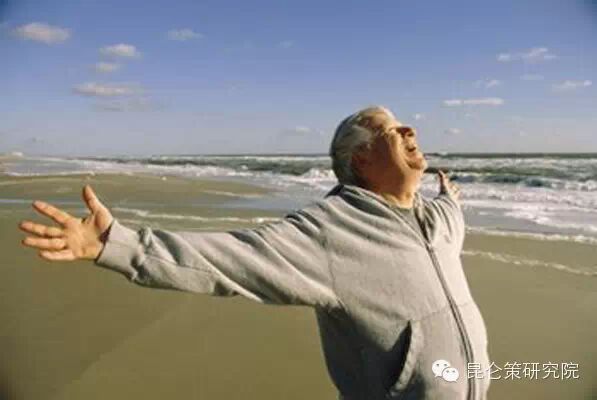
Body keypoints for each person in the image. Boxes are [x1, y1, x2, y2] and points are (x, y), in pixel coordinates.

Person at [19, 106, 491, 400]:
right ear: (361, 158)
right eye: (388, 128)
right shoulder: (329, 232)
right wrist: (113, 244)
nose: (408, 128)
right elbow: (226, 259)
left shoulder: (439, 219)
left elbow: (450, 215)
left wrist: (449, 198)